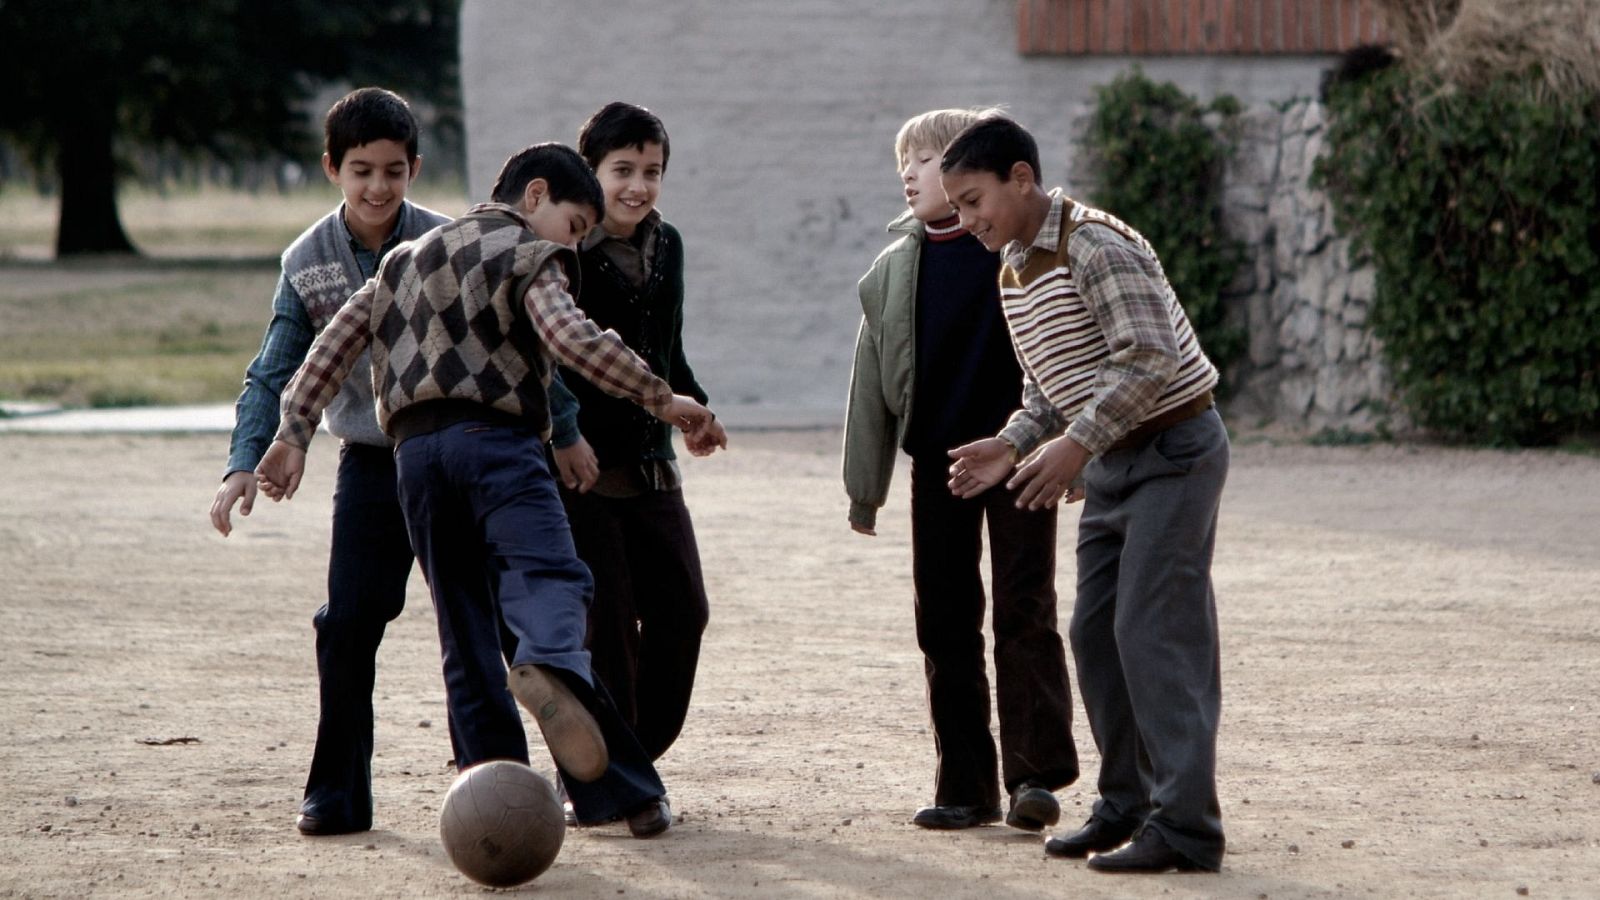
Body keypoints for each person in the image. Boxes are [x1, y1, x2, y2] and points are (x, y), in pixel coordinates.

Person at [255, 142, 722, 839]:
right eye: (574, 224)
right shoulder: (529, 255)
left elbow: (331, 347)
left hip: (414, 459)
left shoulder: (402, 258)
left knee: (464, 633)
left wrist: (291, 433)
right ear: (535, 196)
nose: (574, 243)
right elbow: (573, 339)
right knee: (552, 581)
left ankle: (496, 810)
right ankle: (565, 693)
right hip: (498, 446)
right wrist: (662, 398)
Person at [940, 115, 1229, 873]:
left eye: (973, 201)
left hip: (1174, 452)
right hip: (1112, 462)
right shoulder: (1012, 267)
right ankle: (1128, 805)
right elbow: (1046, 385)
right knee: (1097, 634)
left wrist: (1075, 445)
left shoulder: (1096, 243)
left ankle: (1190, 829)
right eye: (958, 207)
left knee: (1155, 632)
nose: (965, 221)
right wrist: (1013, 443)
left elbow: (1151, 361)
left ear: (1022, 179)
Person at [207, 86, 451, 837]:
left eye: (393, 171)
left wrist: (563, 435)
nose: (378, 187)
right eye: (360, 171)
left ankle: (583, 784)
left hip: (451, 456)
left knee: (488, 624)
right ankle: (337, 794)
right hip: (374, 464)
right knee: (346, 624)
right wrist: (246, 459)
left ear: (414, 168)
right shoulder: (306, 260)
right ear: (332, 169)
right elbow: (273, 367)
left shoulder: (448, 242)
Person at [842, 107, 1077, 834]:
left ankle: (1033, 778)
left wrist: (1070, 451)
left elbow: (1064, 355)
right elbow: (872, 383)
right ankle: (965, 787)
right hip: (937, 467)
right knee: (944, 622)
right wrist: (865, 488)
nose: (912, 176)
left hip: (1019, 458)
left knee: (1024, 609)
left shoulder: (1018, 251)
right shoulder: (892, 270)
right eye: (903, 165)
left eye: (926, 160)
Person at [545, 102, 723, 769]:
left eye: (651, 171)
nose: (637, 186)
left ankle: (626, 759)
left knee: (684, 613)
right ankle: (610, 774)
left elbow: (666, 350)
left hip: (652, 463)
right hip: (582, 467)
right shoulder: (564, 254)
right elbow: (551, 361)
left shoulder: (668, 243)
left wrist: (695, 408)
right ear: (589, 173)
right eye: (622, 169)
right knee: (609, 628)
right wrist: (563, 434)